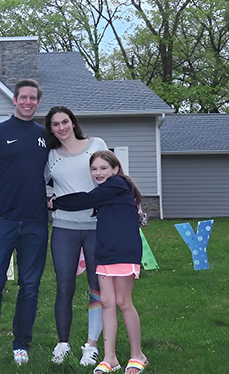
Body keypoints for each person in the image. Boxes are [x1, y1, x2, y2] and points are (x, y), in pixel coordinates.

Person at [0, 79, 50, 369]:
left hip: (36, 223)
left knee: (30, 286)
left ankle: (21, 345)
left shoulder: (45, 135)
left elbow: (57, 171)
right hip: (4, 221)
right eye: (23, 97)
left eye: (33, 98)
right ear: (14, 100)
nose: (28, 102)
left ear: (38, 102)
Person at [50, 150, 149, 374]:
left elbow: (85, 199)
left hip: (123, 252)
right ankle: (110, 358)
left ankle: (138, 355)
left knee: (123, 301)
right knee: (106, 302)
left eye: (103, 168)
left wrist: (56, 203)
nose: (98, 173)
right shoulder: (106, 191)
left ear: (115, 169)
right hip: (104, 252)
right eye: (94, 169)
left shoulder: (118, 184)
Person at [44, 106, 107, 366]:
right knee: (64, 287)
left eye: (65, 121)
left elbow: (113, 177)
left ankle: (91, 346)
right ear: (51, 129)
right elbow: (39, 184)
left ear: (73, 122)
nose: (61, 127)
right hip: (64, 228)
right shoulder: (50, 156)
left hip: (96, 228)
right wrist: (48, 198)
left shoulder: (97, 145)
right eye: (55, 124)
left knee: (97, 287)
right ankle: (63, 344)